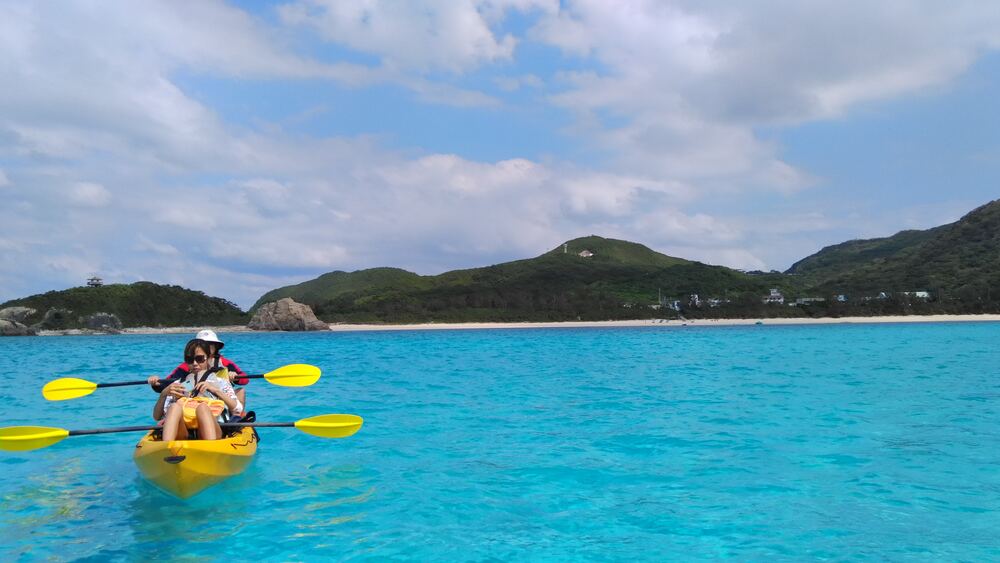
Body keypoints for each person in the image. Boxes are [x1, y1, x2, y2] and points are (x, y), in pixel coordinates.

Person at [153, 339, 242, 441]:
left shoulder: (220, 382)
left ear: (209, 358)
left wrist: (215, 390)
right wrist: (164, 393)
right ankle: (167, 446)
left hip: (215, 429)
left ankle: (210, 447)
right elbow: (157, 417)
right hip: (185, 432)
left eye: (199, 359)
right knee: (174, 407)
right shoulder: (178, 384)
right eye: (190, 359)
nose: (195, 363)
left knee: (202, 407)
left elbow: (237, 409)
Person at [148, 329, 250, 410]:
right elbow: (167, 383)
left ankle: (236, 418)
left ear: (216, 347)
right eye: (203, 344)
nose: (206, 347)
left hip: (221, 396)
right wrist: (156, 383)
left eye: (210, 344)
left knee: (241, 391)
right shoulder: (187, 365)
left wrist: (235, 377)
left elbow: (245, 379)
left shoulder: (226, 363)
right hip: (196, 399)